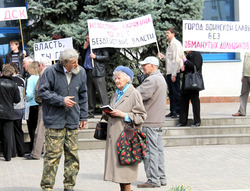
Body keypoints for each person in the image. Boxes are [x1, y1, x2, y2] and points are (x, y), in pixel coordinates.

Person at [38, 49, 88, 191]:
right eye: (73, 62)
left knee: (72, 156)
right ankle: (47, 187)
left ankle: (69, 186)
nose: (76, 64)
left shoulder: (81, 72)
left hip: (72, 121)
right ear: (64, 63)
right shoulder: (51, 72)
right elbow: (42, 92)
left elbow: (84, 95)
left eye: (77, 61)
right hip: (55, 121)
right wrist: (61, 100)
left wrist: (83, 116)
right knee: (52, 157)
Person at [104, 66, 147, 191]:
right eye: (115, 78)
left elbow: (141, 116)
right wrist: (107, 113)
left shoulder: (134, 94)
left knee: (125, 175)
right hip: (115, 137)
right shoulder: (116, 93)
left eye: (119, 78)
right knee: (120, 176)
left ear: (127, 79)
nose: (116, 81)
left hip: (126, 140)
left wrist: (123, 115)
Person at [136, 57, 167, 188]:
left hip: (150, 121)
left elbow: (137, 94)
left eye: (145, 65)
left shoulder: (152, 80)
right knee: (158, 151)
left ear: (153, 66)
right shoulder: (160, 78)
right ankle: (161, 177)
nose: (143, 67)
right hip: (157, 120)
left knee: (150, 152)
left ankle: (153, 180)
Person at [24, 57, 52, 160]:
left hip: (43, 105)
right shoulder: (53, 73)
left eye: (39, 65)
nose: (38, 67)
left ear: (42, 65)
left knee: (39, 131)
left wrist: (38, 99)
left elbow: (38, 90)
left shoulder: (44, 74)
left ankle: (36, 153)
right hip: (50, 105)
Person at [81, 33, 109, 118]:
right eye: (87, 38)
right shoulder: (88, 46)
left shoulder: (100, 46)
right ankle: (90, 112)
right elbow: (83, 57)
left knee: (102, 92)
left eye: (89, 38)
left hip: (98, 72)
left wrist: (96, 57)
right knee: (90, 93)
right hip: (88, 72)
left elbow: (106, 57)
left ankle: (106, 112)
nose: (87, 40)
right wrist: (84, 49)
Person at [158, 27, 184, 118]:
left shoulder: (176, 44)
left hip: (174, 71)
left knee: (176, 92)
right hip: (169, 71)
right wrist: (163, 57)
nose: (166, 34)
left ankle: (177, 111)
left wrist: (174, 73)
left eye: (168, 33)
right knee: (171, 92)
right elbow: (170, 59)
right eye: (166, 33)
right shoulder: (169, 44)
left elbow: (177, 59)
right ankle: (172, 111)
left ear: (173, 34)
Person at [176, 51, 203, 127]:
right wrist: (182, 68)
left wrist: (185, 60)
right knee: (183, 101)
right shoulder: (188, 55)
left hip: (193, 82)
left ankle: (197, 121)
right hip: (186, 82)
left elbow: (195, 67)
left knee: (195, 102)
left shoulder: (197, 55)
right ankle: (183, 121)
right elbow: (186, 68)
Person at [0, 64, 20, 161]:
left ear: (3, 72)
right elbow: (17, 100)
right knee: (7, 135)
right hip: (8, 112)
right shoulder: (14, 85)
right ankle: (7, 156)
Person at [10, 63, 25, 157]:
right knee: (19, 130)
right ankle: (21, 151)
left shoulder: (8, 80)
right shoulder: (22, 80)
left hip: (11, 108)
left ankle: (13, 151)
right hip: (19, 108)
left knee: (10, 130)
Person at [25, 61, 40, 152]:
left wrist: (25, 98)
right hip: (39, 104)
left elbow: (29, 93)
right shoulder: (39, 77)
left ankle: (33, 148)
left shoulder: (31, 79)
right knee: (38, 128)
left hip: (32, 104)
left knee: (32, 128)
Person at [233, 52, 250, 117]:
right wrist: (243, 75)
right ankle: (242, 111)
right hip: (246, 76)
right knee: (243, 94)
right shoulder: (246, 52)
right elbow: (245, 65)